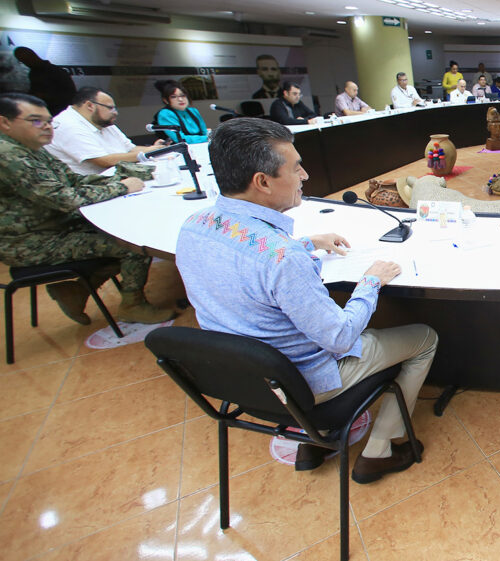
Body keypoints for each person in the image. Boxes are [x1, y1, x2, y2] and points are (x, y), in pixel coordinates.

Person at [176, 117, 438, 483]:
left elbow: (245, 259)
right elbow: (340, 338)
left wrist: (306, 243)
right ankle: (383, 449)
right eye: (296, 167)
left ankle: (314, 442)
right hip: (303, 385)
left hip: (241, 380)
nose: (305, 175)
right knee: (424, 338)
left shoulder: (193, 226)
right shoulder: (282, 258)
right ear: (262, 182)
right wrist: (370, 282)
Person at [0, 93, 177, 325]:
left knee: (123, 227)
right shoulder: (9, 155)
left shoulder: (32, 148)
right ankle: (132, 305)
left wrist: (121, 182)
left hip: (56, 226)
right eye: (36, 121)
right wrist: (121, 189)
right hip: (32, 242)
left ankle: (77, 291)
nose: (46, 127)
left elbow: (73, 180)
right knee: (132, 244)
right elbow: (65, 198)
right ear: (5, 122)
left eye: (48, 121)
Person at [47, 87, 166, 175]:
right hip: (92, 187)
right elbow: (103, 160)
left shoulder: (103, 122)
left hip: (119, 176)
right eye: (110, 108)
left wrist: (157, 149)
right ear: (90, 105)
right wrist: (146, 153)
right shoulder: (67, 125)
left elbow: (129, 148)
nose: (115, 112)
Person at [13, 47, 76, 116]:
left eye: (26, 59)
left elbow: (70, 93)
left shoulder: (55, 71)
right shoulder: (33, 74)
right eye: (22, 61)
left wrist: (45, 96)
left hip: (60, 112)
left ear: (33, 55)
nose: (26, 63)